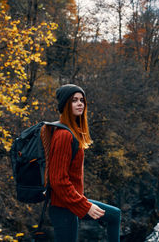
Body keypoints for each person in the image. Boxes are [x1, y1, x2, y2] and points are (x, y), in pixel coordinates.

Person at [48, 84, 121, 242]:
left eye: (82, 100)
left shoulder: (72, 132)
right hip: (63, 209)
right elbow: (58, 180)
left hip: (70, 204)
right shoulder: (64, 136)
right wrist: (84, 205)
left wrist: (81, 203)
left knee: (114, 215)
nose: (80, 103)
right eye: (74, 100)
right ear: (65, 105)